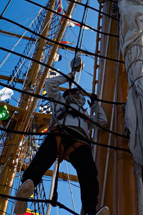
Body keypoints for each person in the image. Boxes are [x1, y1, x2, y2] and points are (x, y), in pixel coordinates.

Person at [15, 71, 109, 215]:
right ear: (69, 95)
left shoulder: (86, 117)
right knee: (42, 159)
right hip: (60, 133)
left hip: (79, 142)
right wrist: (67, 78)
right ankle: (26, 188)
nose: (79, 95)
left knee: (89, 173)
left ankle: (91, 212)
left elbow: (103, 121)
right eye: (76, 93)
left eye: (79, 94)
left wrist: (95, 105)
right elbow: (49, 84)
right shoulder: (60, 102)